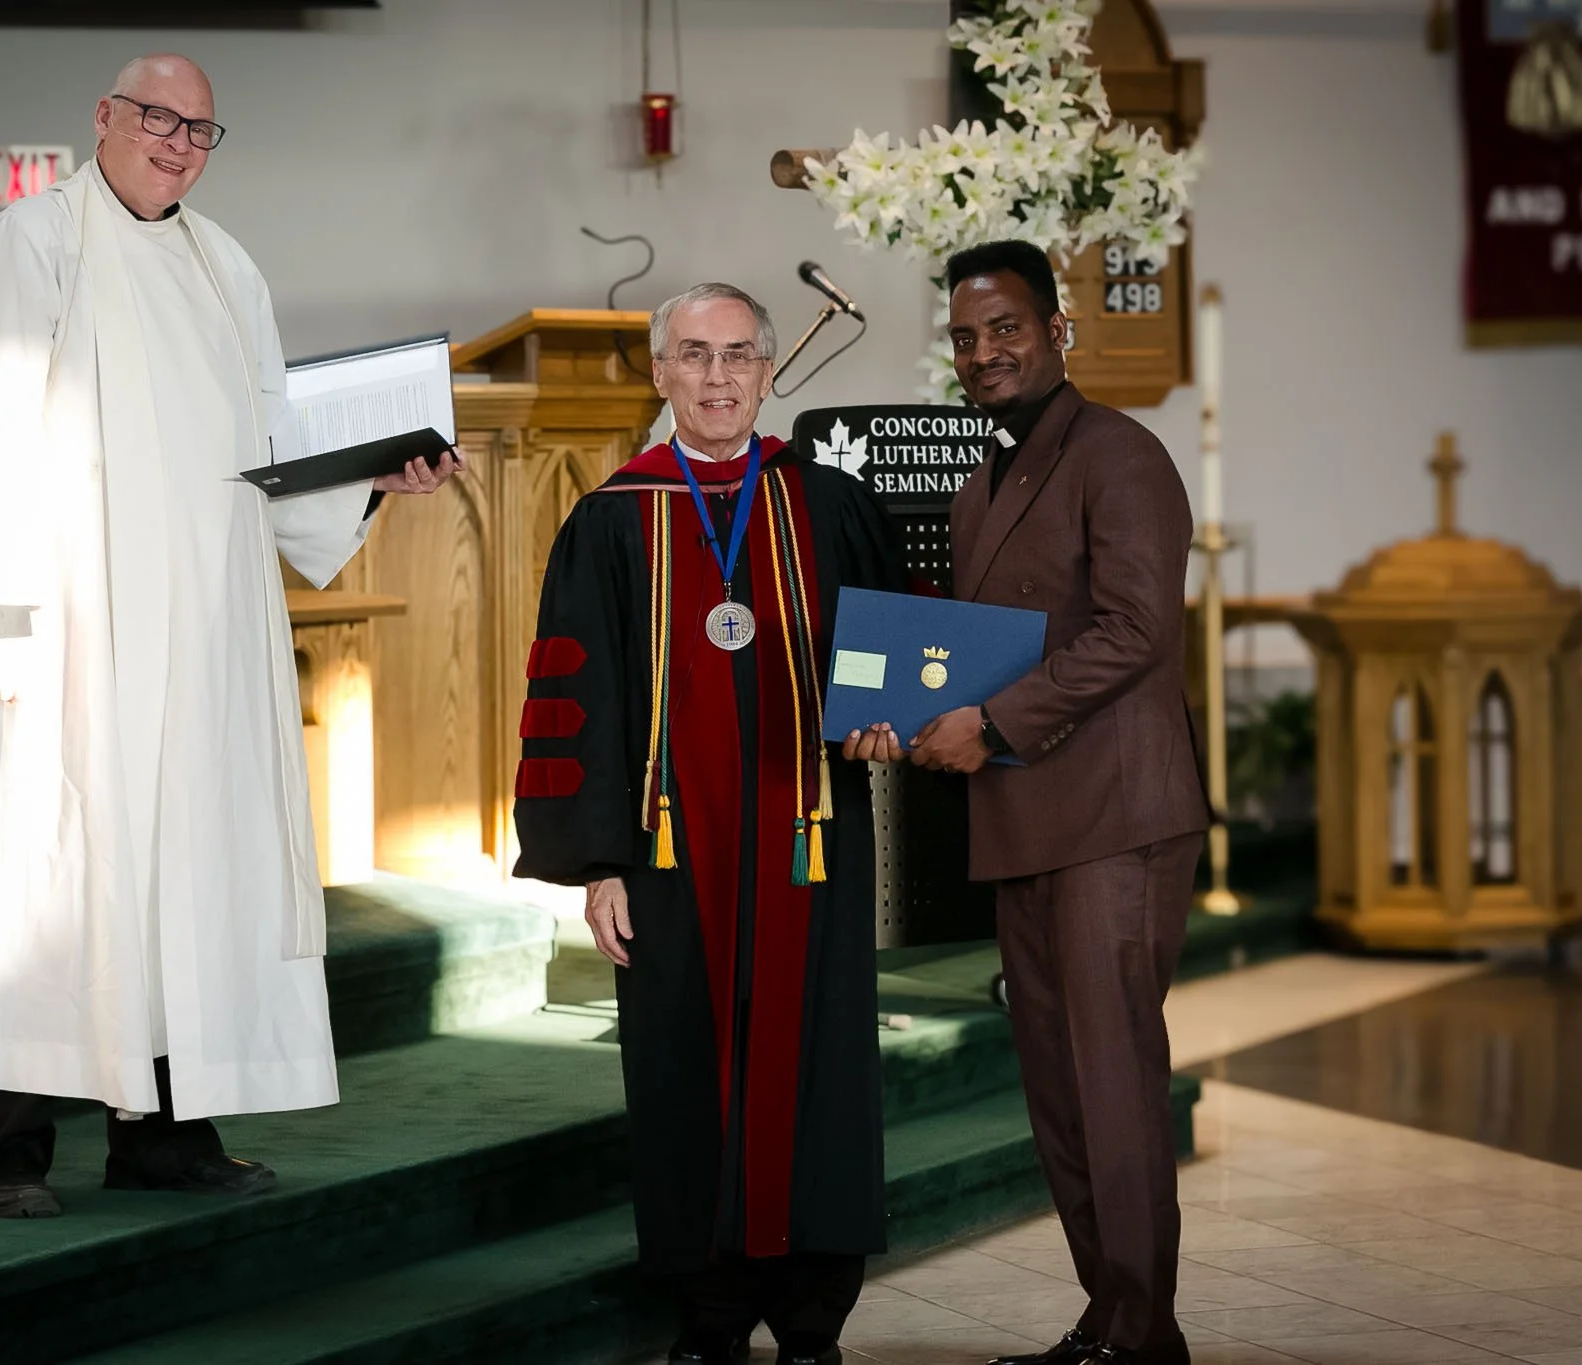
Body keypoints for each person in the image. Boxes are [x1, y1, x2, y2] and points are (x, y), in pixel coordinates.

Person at [0, 53, 460, 1219]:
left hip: (207, 623)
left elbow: (270, 442)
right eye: (157, 118)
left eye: (200, 130)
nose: (176, 143)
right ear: (106, 118)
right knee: (52, 874)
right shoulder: (34, 242)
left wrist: (372, 480)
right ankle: (3, 1153)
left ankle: (162, 1138)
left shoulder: (225, 266)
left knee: (187, 873)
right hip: (69, 620)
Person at [512, 283, 910, 1365]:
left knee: (819, 1074)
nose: (719, 376)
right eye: (693, 356)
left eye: (738, 354)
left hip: (809, 846)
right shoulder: (611, 518)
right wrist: (598, 863)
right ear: (660, 374)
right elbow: (574, 699)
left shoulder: (825, 504)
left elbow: (892, 661)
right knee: (684, 1073)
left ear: (769, 369)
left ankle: (814, 1321)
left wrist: (886, 721)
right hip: (666, 856)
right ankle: (709, 1319)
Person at [870, 240, 1209, 1364]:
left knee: (1112, 1089)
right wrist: (904, 710)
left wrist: (993, 723)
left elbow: (1136, 630)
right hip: (1024, 821)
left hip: (1112, 819)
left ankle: (1142, 1334)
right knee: (1060, 1095)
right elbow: (976, 655)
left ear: (1057, 329)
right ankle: (1110, 1319)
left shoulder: (1118, 454)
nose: (982, 353)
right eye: (964, 337)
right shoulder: (981, 481)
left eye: (1004, 327)